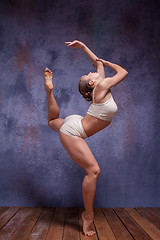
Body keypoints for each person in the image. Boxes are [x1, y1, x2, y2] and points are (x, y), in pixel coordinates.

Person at [44, 40, 128, 237]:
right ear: (92, 82)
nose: (92, 72)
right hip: (74, 130)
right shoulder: (102, 85)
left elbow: (96, 63)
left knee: (52, 121)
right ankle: (87, 216)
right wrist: (108, 64)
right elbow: (122, 72)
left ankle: (49, 92)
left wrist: (83, 48)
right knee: (93, 171)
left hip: (76, 122)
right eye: (89, 75)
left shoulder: (101, 87)